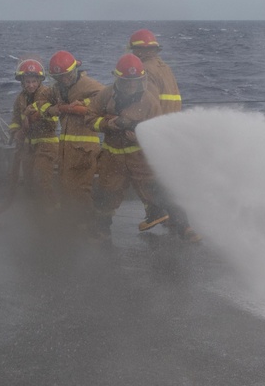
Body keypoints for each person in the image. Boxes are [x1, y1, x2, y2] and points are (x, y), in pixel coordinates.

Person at [84, 54, 199, 242]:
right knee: (106, 194)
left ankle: (185, 228)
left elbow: (157, 132)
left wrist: (138, 137)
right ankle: (102, 230)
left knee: (160, 191)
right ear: (118, 79)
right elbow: (89, 118)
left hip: (140, 158)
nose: (131, 86)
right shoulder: (105, 95)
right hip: (112, 159)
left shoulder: (150, 101)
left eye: (135, 82)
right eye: (127, 82)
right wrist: (108, 125)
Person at [128, 29, 182, 231]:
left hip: (155, 129)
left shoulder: (146, 70)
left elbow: (147, 104)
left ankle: (156, 212)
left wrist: (136, 127)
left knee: (143, 172)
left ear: (140, 51)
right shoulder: (165, 68)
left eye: (134, 50)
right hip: (171, 128)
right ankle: (179, 223)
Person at [42, 50, 104, 226]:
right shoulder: (56, 89)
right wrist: (51, 109)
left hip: (85, 147)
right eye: (60, 77)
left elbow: (105, 99)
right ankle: (74, 222)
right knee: (66, 186)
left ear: (75, 69)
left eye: (67, 75)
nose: (64, 79)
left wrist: (83, 104)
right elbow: (41, 101)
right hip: (66, 149)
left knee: (81, 189)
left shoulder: (87, 84)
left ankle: (90, 224)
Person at [8, 58, 59, 211]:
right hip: (28, 147)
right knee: (29, 183)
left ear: (39, 80)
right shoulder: (20, 99)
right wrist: (15, 132)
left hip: (46, 144)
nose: (31, 85)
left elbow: (53, 120)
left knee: (41, 180)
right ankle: (36, 213)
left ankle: (52, 212)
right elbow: (16, 120)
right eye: (27, 81)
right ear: (22, 82)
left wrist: (36, 117)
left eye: (34, 81)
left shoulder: (47, 94)